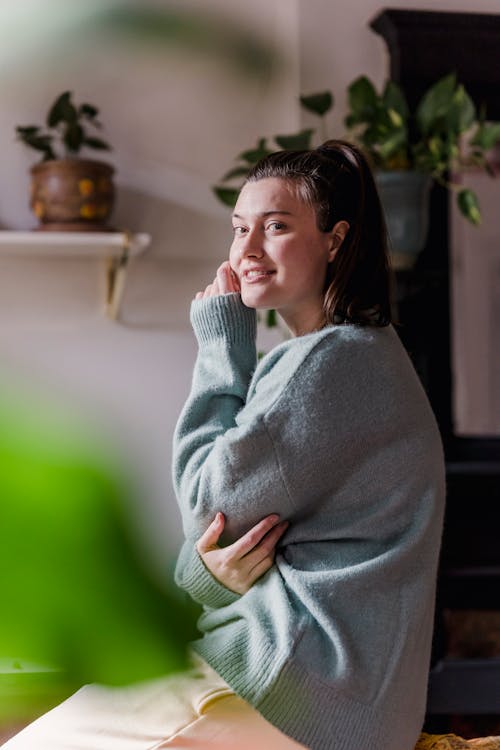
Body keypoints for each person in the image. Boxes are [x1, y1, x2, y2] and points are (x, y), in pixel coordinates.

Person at [2, 140, 445, 750]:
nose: (248, 250)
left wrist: (221, 347)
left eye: (277, 227)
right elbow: (221, 531)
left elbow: (206, 507)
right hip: (337, 691)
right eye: (240, 229)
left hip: (300, 683)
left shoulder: (331, 366)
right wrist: (207, 571)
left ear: (335, 240)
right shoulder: (356, 354)